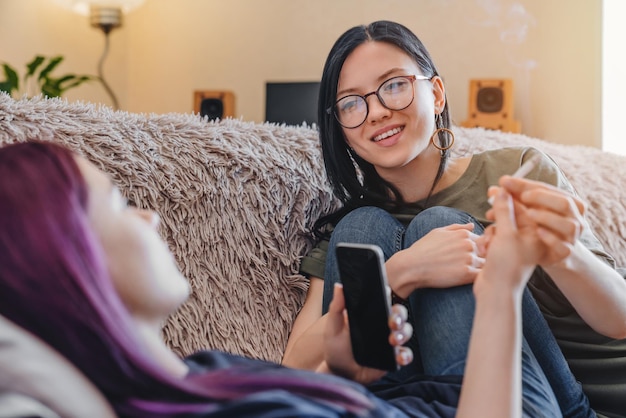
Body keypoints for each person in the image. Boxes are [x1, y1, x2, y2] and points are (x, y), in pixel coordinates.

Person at [0, 138, 569, 417]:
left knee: (375, 221)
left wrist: (343, 373)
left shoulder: (199, 371)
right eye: (121, 205)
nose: (150, 217)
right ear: (66, 259)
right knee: (418, 223)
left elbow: (314, 383)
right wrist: (500, 284)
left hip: (409, 393)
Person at [283, 20, 626, 418]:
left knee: (438, 222)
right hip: (446, 405)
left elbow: (619, 318)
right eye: (351, 103)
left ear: (437, 94)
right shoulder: (354, 231)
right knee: (362, 230)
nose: (376, 111)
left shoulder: (516, 171)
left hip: (577, 407)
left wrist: (563, 253)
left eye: (394, 85)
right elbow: (295, 368)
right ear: (341, 128)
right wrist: (398, 274)